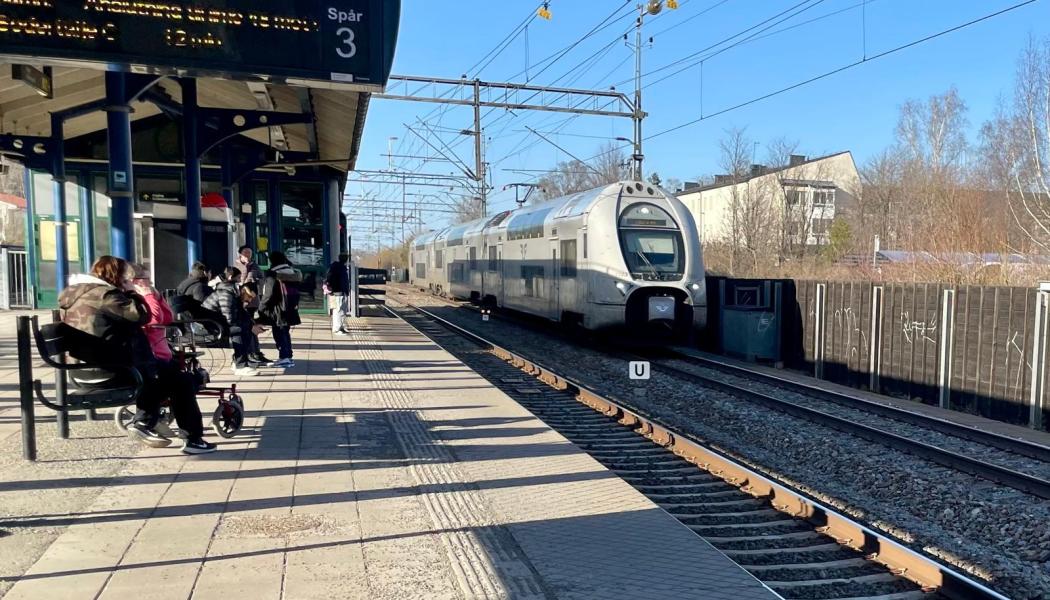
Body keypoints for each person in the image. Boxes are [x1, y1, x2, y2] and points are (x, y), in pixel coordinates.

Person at [59, 256, 163, 446]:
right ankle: (145, 422)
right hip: (107, 371)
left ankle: (152, 421)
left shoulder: (72, 292)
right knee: (165, 375)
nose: (127, 281)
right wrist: (134, 293)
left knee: (163, 369)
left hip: (78, 370)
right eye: (125, 278)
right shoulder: (104, 294)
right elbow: (141, 315)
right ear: (115, 275)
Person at [130, 264, 217, 454]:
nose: (149, 283)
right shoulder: (134, 298)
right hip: (151, 359)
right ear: (134, 281)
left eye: (149, 279)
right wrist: (149, 295)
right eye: (145, 279)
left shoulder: (143, 296)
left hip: (158, 357)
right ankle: (189, 436)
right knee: (184, 382)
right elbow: (155, 319)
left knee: (189, 380)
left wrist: (156, 296)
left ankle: (157, 421)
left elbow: (167, 317)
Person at [203, 267, 261, 377]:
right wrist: (244, 324)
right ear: (230, 278)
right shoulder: (225, 292)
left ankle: (240, 361)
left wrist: (251, 323)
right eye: (238, 277)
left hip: (217, 322)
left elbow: (238, 312)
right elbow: (228, 316)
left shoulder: (231, 290)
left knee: (246, 328)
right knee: (240, 330)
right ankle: (240, 365)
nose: (240, 280)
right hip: (211, 325)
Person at [257, 251, 302, 368]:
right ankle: (288, 356)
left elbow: (268, 294)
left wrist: (261, 307)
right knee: (285, 332)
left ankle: (284, 357)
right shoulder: (293, 272)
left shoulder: (273, 274)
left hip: (277, 308)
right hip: (290, 306)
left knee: (279, 332)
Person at [234, 246, 272, 367]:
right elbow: (236, 281)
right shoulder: (235, 266)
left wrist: (254, 280)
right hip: (241, 301)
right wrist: (245, 275)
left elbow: (262, 279)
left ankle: (255, 352)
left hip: (252, 300)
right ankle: (251, 353)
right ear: (240, 254)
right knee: (248, 327)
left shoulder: (254, 266)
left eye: (250, 253)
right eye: (245, 253)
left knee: (252, 326)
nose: (248, 255)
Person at [325, 253, 351, 335]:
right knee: (338, 310)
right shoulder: (339, 268)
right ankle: (337, 328)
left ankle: (341, 327)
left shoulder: (339, 267)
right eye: (346, 258)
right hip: (338, 291)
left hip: (341, 291)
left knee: (341, 310)